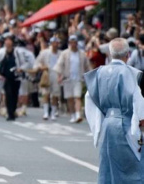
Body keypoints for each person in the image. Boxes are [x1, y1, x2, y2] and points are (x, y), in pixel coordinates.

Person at [84, 38, 144, 183]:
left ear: (110, 54)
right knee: (133, 169)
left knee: (108, 168)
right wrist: (140, 125)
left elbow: (89, 99)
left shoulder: (98, 73)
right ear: (128, 54)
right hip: (127, 123)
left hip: (107, 124)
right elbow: (138, 100)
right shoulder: (133, 73)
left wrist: (97, 126)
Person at [55, 34, 90, 123]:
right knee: (70, 98)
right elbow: (60, 64)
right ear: (69, 43)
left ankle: (78, 114)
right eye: (71, 42)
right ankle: (73, 114)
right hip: (67, 78)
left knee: (77, 97)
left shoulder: (82, 54)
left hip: (78, 78)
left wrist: (89, 75)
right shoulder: (65, 53)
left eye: (75, 42)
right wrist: (59, 76)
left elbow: (87, 66)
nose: (73, 44)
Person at [0, 37, 22, 121]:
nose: (8, 44)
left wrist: (21, 69)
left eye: (9, 42)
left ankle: (13, 110)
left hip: (16, 76)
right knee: (8, 94)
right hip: (6, 77)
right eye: (6, 42)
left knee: (15, 94)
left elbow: (22, 63)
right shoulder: (1, 52)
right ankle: (10, 113)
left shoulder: (17, 52)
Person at [36, 37, 62, 121]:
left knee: (55, 95)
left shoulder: (61, 54)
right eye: (53, 42)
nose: (55, 44)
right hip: (47, 73)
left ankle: (53, 112)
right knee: (45, 93)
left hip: (56, 74)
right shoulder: (44, 53)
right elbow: (38, 62)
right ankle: (46, 112)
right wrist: (41, 67)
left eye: (56, 43)